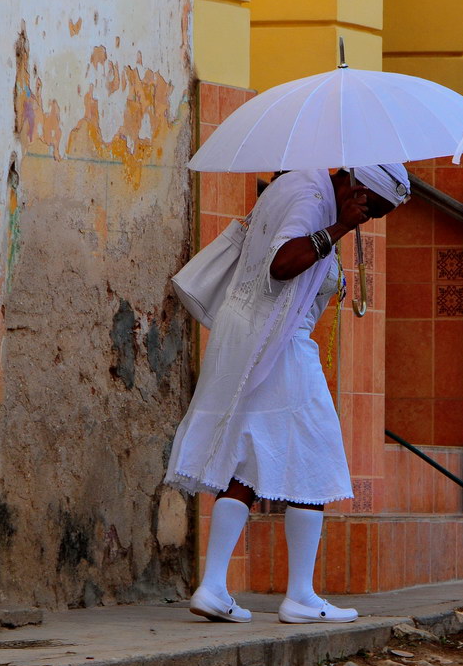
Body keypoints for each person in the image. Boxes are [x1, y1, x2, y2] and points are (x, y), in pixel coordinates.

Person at [165, 164, 411, 624]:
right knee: (312, 458)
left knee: (251, 459)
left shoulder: (298, 187)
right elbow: (282, 265)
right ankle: (299, 594)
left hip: (251, 335)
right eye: (373, 209)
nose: (372, 219)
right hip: (279, 342)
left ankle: (214, 586)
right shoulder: (311, 197)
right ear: (356, 189)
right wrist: (340, 226)